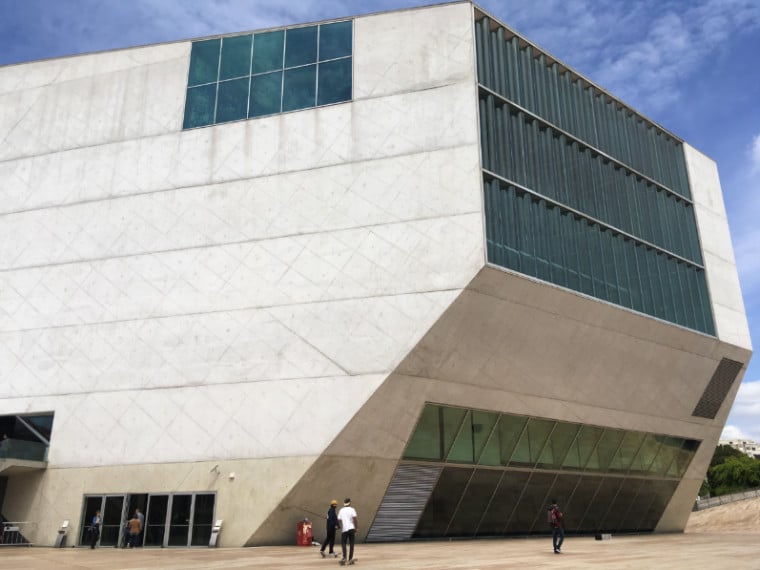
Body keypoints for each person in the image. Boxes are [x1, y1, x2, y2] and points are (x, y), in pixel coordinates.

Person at [337, 498, 358, 566]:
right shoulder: (352, 509)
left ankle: (344, 557)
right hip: (351, 528)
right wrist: (356, 528)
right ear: (349, 503)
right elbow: (355, 519)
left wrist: (338, 525)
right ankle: (350, 558)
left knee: (343, 543)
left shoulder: (341, 510)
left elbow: (339, 520)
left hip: (344, 530)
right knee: (352, 544)